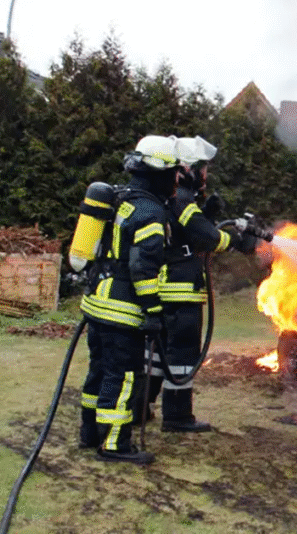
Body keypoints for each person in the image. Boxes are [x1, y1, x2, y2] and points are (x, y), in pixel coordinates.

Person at [77, 135, 182, 464]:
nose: (177, 180)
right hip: (122, 310)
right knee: (122, 376)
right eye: (174, 172)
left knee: (99, 370)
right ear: (159, 172)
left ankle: (89, 432)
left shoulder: (122, 199)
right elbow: (143, 267)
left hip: (98, 302)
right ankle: (114, 444)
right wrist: (153, 312)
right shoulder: (150, 212)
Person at [142, 135, 257, 432]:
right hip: (181, 293)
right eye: (203, 169)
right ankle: (178, 417)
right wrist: (238, 240)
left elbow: (187, 230)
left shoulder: (173, 198)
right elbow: (204, 237)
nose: (206, 175)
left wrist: (208, 213)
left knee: (157, 355)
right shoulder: (182, 199)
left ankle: (140, 407)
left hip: (166, 290)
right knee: (181, 355)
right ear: (188, 169)